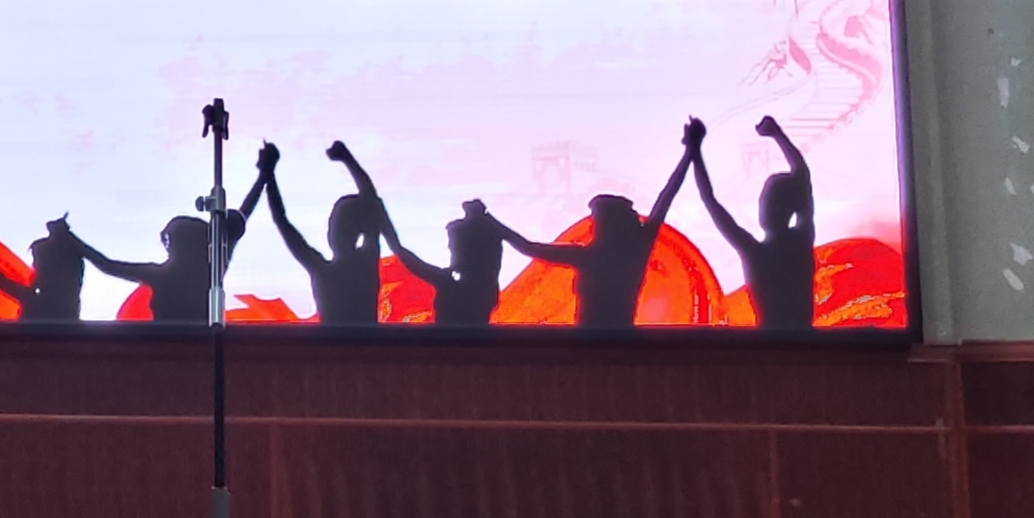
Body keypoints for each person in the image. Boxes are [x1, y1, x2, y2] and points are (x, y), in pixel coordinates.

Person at [506, 120, 702, 332]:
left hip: (593, 342)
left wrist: (492, 223)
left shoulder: (590, 256)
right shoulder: (635, 250)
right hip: (613, 341)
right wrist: (690, 152)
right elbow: (667, 197)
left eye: (596, 220)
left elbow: (529, 247)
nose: (592, 226)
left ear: (609, 223)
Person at [77, 168, 266, 323]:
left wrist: (75, 243)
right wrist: (263, 176)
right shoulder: (212, 266)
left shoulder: (161, 275)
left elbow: (108, 266)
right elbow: (242, 216)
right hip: (202, 348)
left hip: (167, 348)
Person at [689, 114, 819, 333]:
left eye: (767, 201)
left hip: (773, 339)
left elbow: (709, 199)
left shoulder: (757, 252)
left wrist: (694, 151)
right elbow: (803, 176)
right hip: (803, 339)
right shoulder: (801, 240)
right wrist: (777, 135)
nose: (763, 206)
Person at [259, 140, 389, 326]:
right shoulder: (366, 262)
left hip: (334, 343)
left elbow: (282, 221)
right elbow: (370, 200)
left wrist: (269, 174)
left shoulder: (323, 271)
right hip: (368, 343)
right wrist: (347, 159)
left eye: (334, 225)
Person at [0, 196, 89, 321]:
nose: (33, 267)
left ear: (51, 271)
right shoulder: (68, 311)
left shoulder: (35, 302)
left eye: (37, 264)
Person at [385, 196, 515, 329]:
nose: (449, 247)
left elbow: (412, 262)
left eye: (454, 246)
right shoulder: (485, 291)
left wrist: (388, 233)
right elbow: (410, 260)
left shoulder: (450, 285)